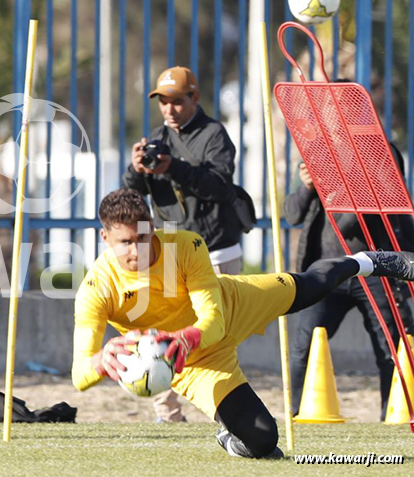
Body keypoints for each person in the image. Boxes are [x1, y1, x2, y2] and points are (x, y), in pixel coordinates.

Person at [72, 189, 414, 459]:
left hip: (232, 305)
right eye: (125, 243)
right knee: (264, 441)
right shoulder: (96, 289)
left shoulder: (186, 245)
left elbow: (213, 321)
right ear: (105, 238)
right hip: (195, 364)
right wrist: (100, 363)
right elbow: (79, 375)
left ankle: (366, 261)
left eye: (143, 238)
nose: (137, 250)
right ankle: (230, 437)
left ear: (153, 229)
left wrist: (185, 338)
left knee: (313, 287)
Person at [122, 66, 244, 422]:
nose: (169, 109)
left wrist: (174, 167)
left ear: (195, 98)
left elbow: (221, 188)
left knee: (216, 336)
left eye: (177, 101)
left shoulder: (214, 135)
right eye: (163, 102)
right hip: (171, 254)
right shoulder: (157, 137)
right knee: (158, 333)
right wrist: (136, 169)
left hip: (216, 250)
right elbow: (132, 193)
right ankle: (168, 412)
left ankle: (223, 408)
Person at [285, 151, 414, 420]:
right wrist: (307, 187)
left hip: (377, 270)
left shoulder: (381, 153)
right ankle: (295, 412)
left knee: (392, 347)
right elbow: (292, 214)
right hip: (329, 271)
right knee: (303, 346)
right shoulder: (323, 161)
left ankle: (394, 414)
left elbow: (353, 220)